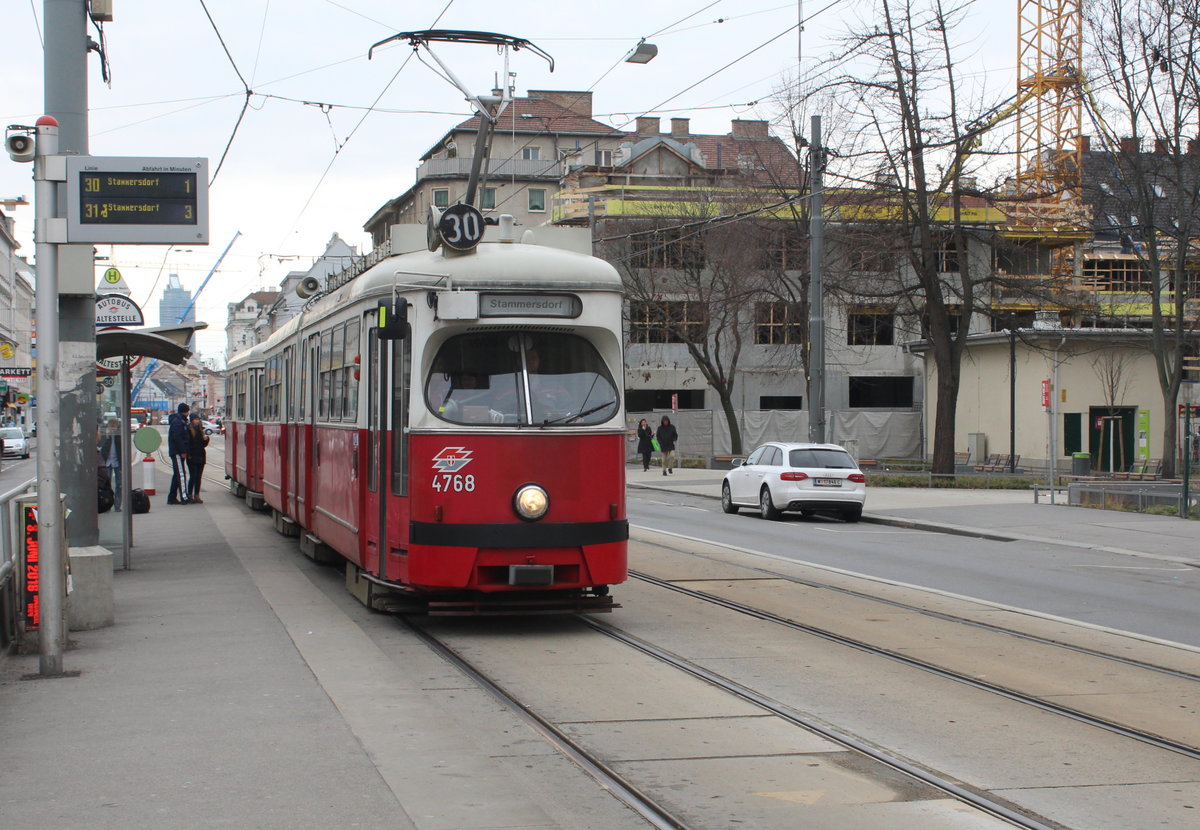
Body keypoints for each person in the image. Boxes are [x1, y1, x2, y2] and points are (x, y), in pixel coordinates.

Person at [167, 402, 192, 505]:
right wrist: (182, 451)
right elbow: (178, 438)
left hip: (177, 451)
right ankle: (184, 497)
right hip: (177, 452)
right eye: (188, 411)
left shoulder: (180, 420)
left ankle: (172, 497)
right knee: (181, 474)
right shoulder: (178, 422)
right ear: (185, 411)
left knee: (177, 475)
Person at [100, 418, 123, 511]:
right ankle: (107, 504)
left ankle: (117, 505)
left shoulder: (119, 436)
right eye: (111, 426)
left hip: (118, 462)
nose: (113, 428)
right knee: (107, 484)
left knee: (119, 484)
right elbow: (102, 447)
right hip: (108, 462)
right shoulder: (105, 436)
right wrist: (108, 436)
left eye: (115, 426)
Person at [186, 412, 209, 503]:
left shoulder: (200, 430)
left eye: (198, 419)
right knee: (193, 476)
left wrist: (206, 439)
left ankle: (197, 495)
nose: (197, 421)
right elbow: (187, 443)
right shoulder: (188, 430)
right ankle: (189, 494)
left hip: (201, 456)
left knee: (198, 477)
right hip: (192, 456)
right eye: (196, 419)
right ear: (191, 420)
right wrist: (189, 454)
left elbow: (203, 445)